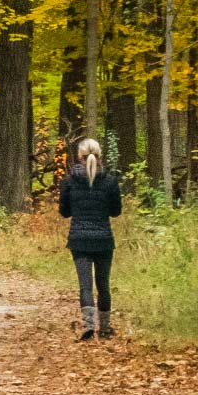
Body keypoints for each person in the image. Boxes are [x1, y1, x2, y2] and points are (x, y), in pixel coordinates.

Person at [58, 138, 122, 341]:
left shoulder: (69, 181)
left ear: (79, 156)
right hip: (103, 239)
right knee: (103, 284)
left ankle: (87, 326)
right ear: (100, 156)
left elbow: (64, 212)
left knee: (85, 286)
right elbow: (116, 212)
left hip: (79, 239)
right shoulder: (110, 181)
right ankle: (105, 328)